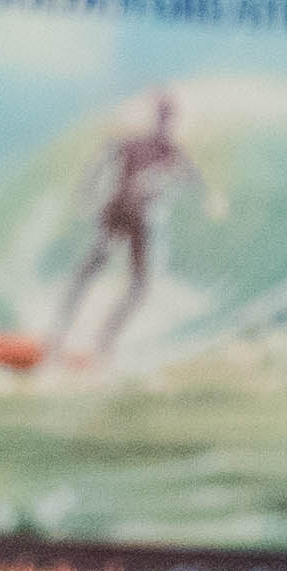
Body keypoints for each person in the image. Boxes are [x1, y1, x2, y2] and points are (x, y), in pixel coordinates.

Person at [43, 93, 214, 369]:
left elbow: (100, 161)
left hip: (117, 210)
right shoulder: (169, 151)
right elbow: (193, 179)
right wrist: (208, 197)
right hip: (133, 216)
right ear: (170, 121)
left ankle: (61, 336)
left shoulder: (136, 143)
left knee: (92, 271)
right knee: (135, 285)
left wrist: (86, 192)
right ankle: (100, 342)